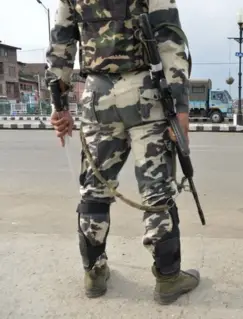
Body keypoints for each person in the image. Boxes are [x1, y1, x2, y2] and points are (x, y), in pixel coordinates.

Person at [46, 0, 199, 305]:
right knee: (156, 190)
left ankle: (94, 273)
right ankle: (168, 278)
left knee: (94, 189)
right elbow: (168, 36)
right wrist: (180, 106)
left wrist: (58, 106)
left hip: (96, 94)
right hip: (146, 92)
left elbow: (61, 43)